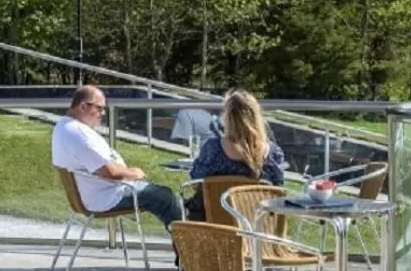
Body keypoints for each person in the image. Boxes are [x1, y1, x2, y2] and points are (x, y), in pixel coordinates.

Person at [51, 85, 183, 231]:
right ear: (83, 106)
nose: (102, 113)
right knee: (165, 197)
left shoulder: (64, 126)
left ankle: (185, 241)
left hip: (96, 195)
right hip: (107, 198)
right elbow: (110, 173)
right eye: (99, 108)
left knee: (165, 197)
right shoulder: (78, 134)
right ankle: (189, 247)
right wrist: (134, 173)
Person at [184, 89, 287, 222]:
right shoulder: (273, 154)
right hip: (257, 233)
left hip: (213, 230)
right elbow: (278, 192)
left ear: (227, 118)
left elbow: (195, 180)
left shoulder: (213, 149)